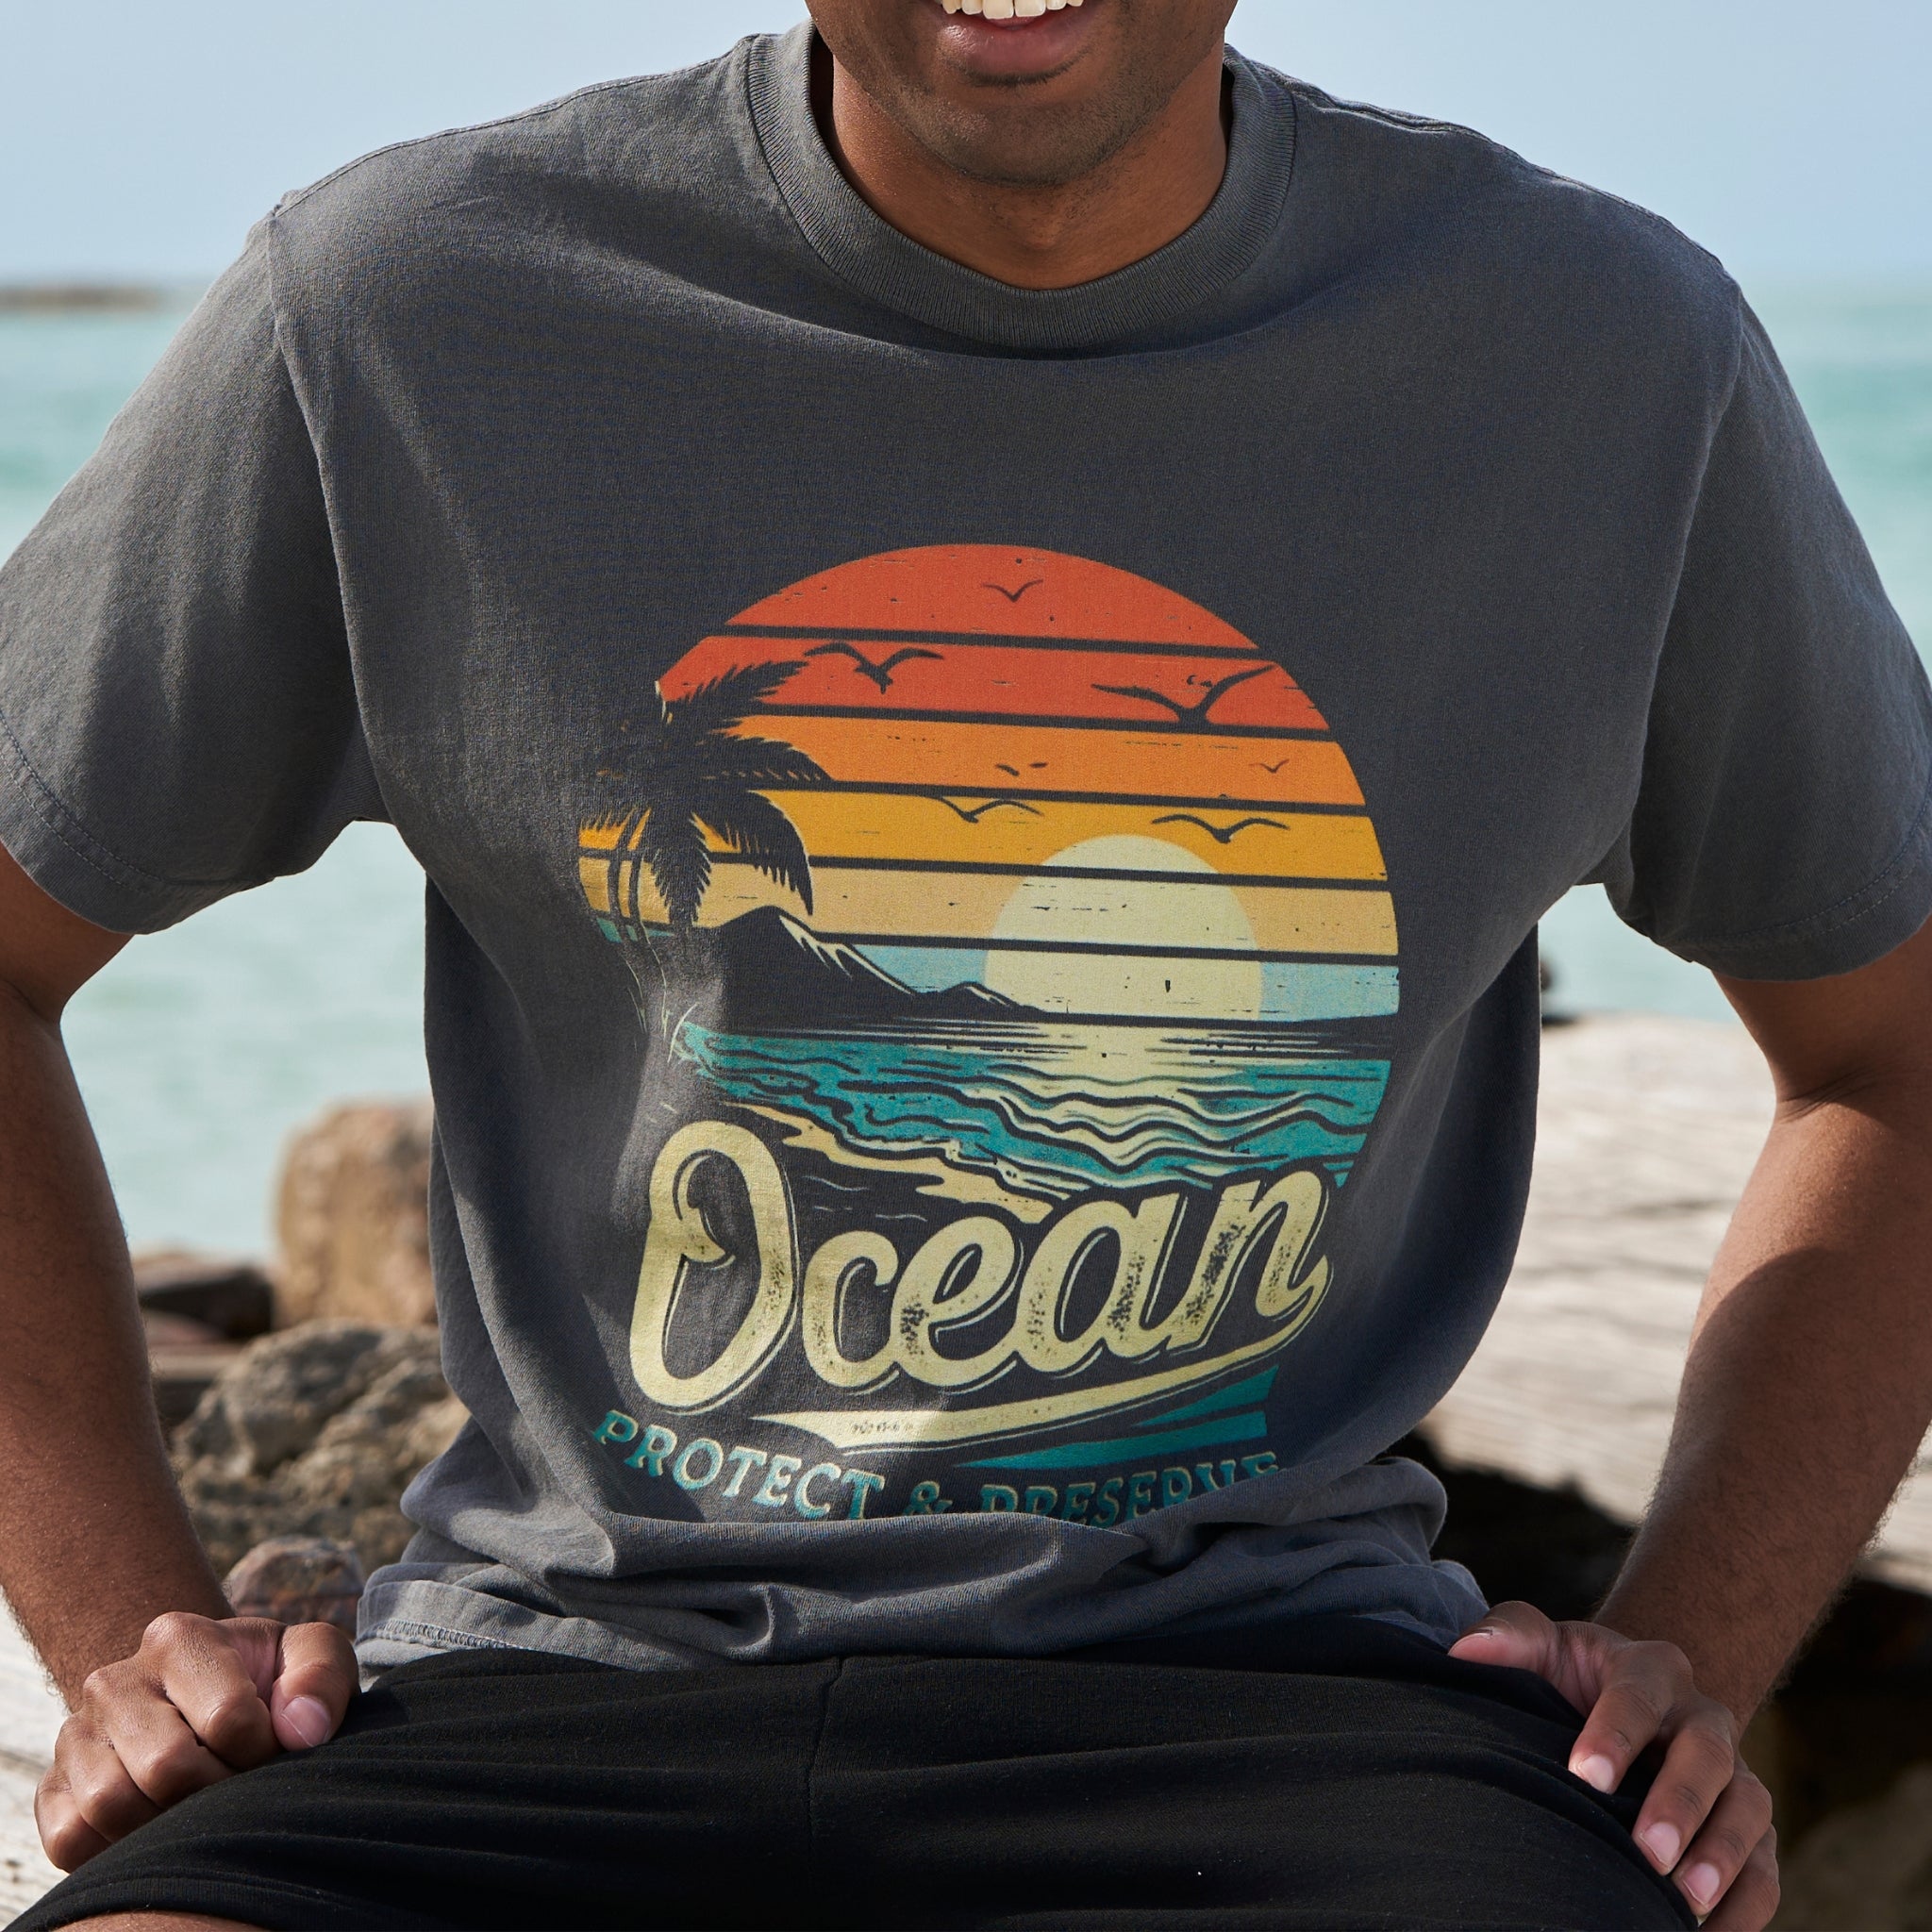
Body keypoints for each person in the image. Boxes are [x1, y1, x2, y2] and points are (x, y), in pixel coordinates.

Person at [3, 1, 1928, 1925]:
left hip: (1297, 1716)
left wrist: (1689, 1652)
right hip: (536, 1691)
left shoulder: (1600, 360)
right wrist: (130, 1644)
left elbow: (1892, 1054)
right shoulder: (404, 313)